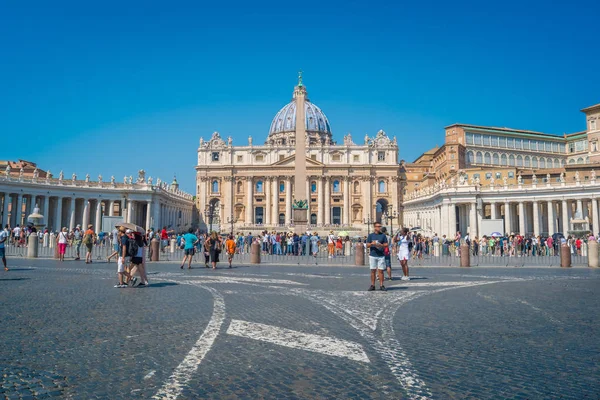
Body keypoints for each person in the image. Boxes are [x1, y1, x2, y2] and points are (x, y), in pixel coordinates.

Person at [366, 222, 388, 291]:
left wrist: (381, 245)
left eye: (380, 226)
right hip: (373, 255)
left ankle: (381, 285)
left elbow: (386, 244)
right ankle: (373, 285)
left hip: (381, 255)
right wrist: (372, 243)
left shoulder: (383, 236)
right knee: (373, 271)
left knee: (381, 271)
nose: (379, 228)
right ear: (375, 227)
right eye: (378, 226)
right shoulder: (370, 235)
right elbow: (367, 245)